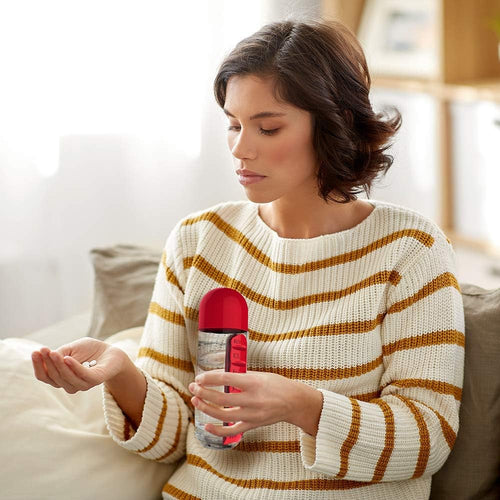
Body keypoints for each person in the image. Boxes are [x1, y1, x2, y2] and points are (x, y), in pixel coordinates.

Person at [31, 18, 465, 500]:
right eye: (233, 125)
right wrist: (123, 373)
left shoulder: (411, 249)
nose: (240, 148)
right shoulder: (197, 242)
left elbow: (428, 439)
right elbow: (172, 440)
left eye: (268, 127)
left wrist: (302, 405)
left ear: (333, 124)